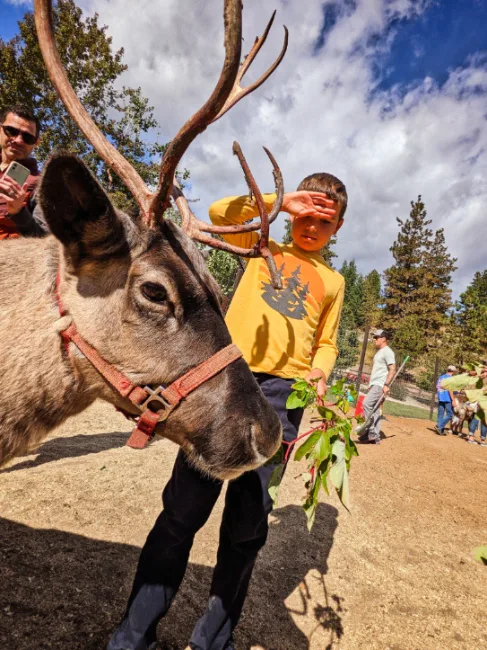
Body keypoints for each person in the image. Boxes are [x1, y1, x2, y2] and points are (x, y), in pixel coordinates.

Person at [107, 172, 348, 650]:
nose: (312, 226)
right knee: (181, 515)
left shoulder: (333, 281)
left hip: (283, 397)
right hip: (226, 382)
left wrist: (319, 372)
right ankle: (133, 638)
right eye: (306, 213)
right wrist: (279, 204)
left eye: (325, 220)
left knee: (246, 528)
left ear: (338, 228)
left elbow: (327, 342)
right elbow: (220, 215)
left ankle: (213, 640)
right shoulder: (260, 245)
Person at [0, 105, 46, 238]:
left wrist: (18, 211)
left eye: (27, 138)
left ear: (36, 143)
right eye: (11, 131)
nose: (18, 140)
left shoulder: (41, 185)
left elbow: (45, 241)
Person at [358, 329, 396, 445]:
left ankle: (369, 431)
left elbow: (392, 369)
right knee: (374, 410)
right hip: (375, 384)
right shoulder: (380, 352)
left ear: (383, 338)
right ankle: (374, 436)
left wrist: (386, 385)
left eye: (377, 337)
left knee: (366, 404)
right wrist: (371, 384)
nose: (374, 339)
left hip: (380, 384)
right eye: (374, 338)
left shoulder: (387, 352)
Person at [434, 365, 457, 436]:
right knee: (450, 414)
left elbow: (436, 387)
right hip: (447, 398)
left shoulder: (441, 377)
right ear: (453, 371)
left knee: (441, 413)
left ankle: (440, 429)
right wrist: (453, 400)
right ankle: (439, 426)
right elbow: (450, 390)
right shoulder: (451, 378)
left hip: (441, 397)